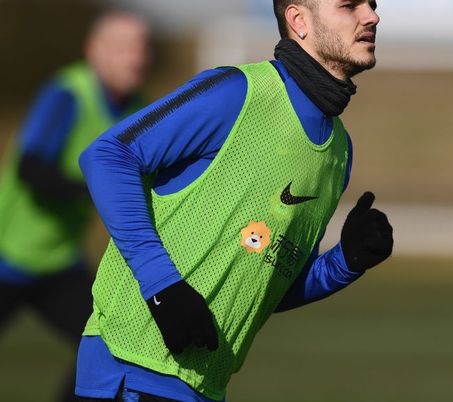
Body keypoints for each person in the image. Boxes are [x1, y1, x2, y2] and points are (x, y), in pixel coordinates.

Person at [74, 0, 392, 400]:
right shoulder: (236, 92)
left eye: (372, 5)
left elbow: (267, 285)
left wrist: (344, 263)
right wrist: (162, 287)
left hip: (205, 388)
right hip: (132, 367)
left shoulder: (339, 153)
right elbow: (108, 155)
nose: (372, 16)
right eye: (350, 5)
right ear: (298, 20)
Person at [0, 11, 150, 402]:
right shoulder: (67, 94)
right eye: (124, 47)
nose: (137, 57)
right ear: (94, 51)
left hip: (59, 262)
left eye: (142, 47)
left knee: (112, 345)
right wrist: (99, 189)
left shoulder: (139, 110)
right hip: (7, 254)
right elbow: (32, 171)